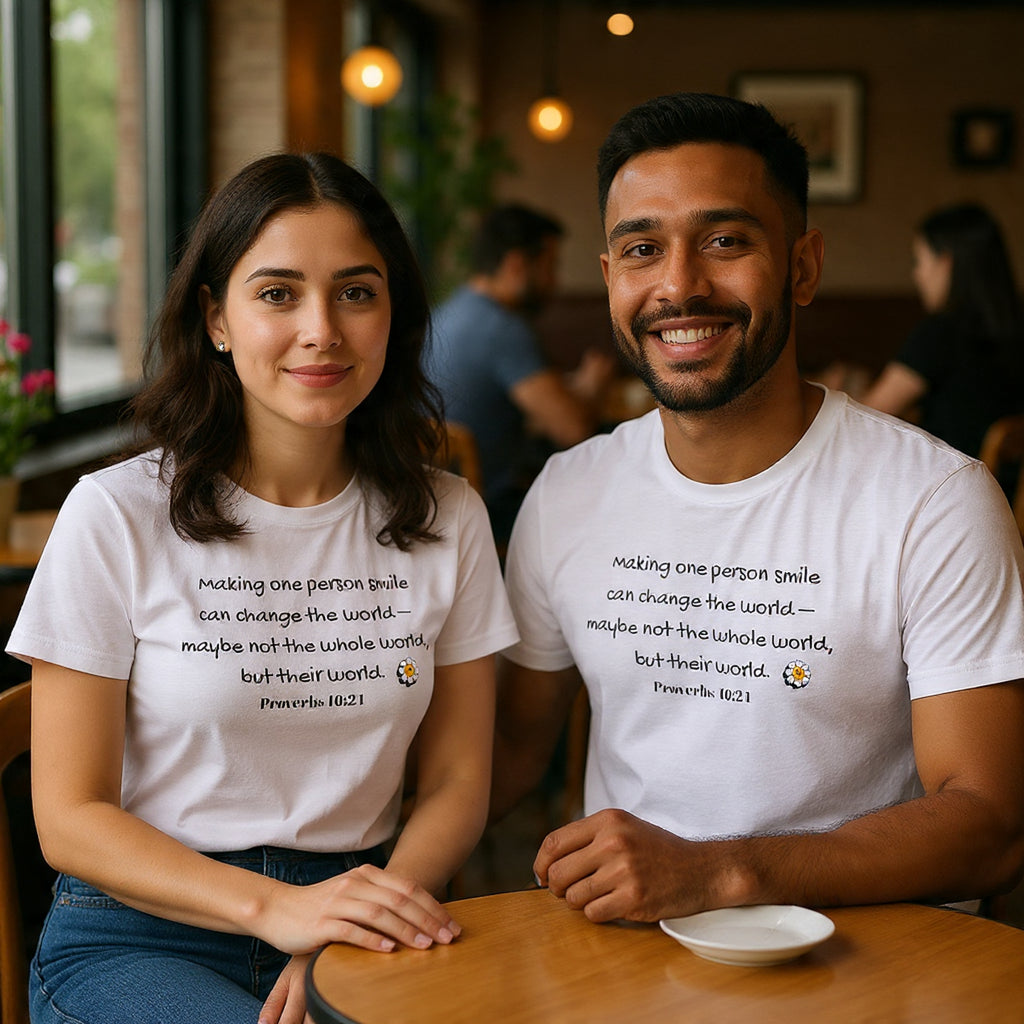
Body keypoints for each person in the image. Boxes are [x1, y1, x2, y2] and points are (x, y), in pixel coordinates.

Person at [10, 152, 519, 1024]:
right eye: (277, 294)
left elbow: (458, 780)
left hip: (366, 912)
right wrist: (276, 910)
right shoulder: (118, 513)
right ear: (216, 318)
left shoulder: (450, 515)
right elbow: (68, 815)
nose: (321, 329)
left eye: (357, 292)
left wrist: (362, 917)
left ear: (393, 315)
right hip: (140, 932)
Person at [492, 92, 1024, 925]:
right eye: (642, 249)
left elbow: (990, 824)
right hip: (627, 963)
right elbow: (514, 751)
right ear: (609, 280)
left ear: (804, 266)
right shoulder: (568, 491)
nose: (679, 285)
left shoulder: (934, 501)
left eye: (726, 241)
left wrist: (719, 871)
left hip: (873, 966)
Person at [426, 203, 614, 547]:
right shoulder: (503, 328)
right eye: (549, 267)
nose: (554, 282)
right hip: (488, 510)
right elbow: (572, 429)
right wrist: (591, 388)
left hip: (437, 503)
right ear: (516, 265)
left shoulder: (451, 311)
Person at [859, 202, 1024, 457]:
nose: (917, 274)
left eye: (919, 261)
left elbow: (868, 416)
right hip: (1010, 488)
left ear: (945, 262)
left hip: (957, 487)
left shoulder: (942, 333)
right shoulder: (1014, 324)